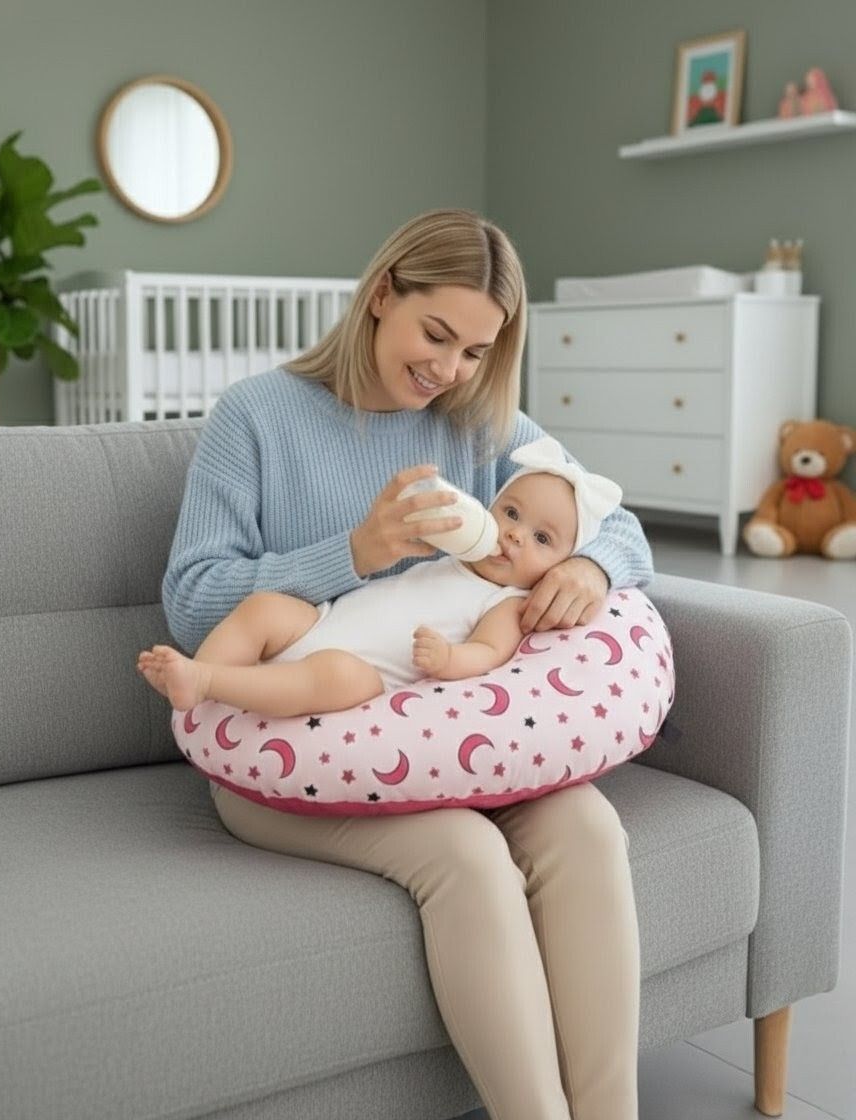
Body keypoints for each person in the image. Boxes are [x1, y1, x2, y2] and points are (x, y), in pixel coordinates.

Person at [162, 208, 652, 1120]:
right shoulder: (257, 417)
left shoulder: (479, 426)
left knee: (586, 827)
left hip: (453, 744)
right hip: (292, 744)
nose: (449, 370)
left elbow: (607, 516)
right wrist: (350, 554)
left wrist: (589, 563)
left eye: (474, 351)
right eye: (436, 334)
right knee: (466, 855)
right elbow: (192, 602)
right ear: (382, 293)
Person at [141, 438, 622, 718]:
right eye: (511, 513)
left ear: (563, 559)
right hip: (321, 622)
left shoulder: (507, 602)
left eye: (542, 540)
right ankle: (202, 705)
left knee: (334, 675)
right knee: (266, 607)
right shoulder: (458, 553)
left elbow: (488, 653)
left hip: (362, 671)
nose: (515, 536)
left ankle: (207, 680)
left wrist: (448, 657)